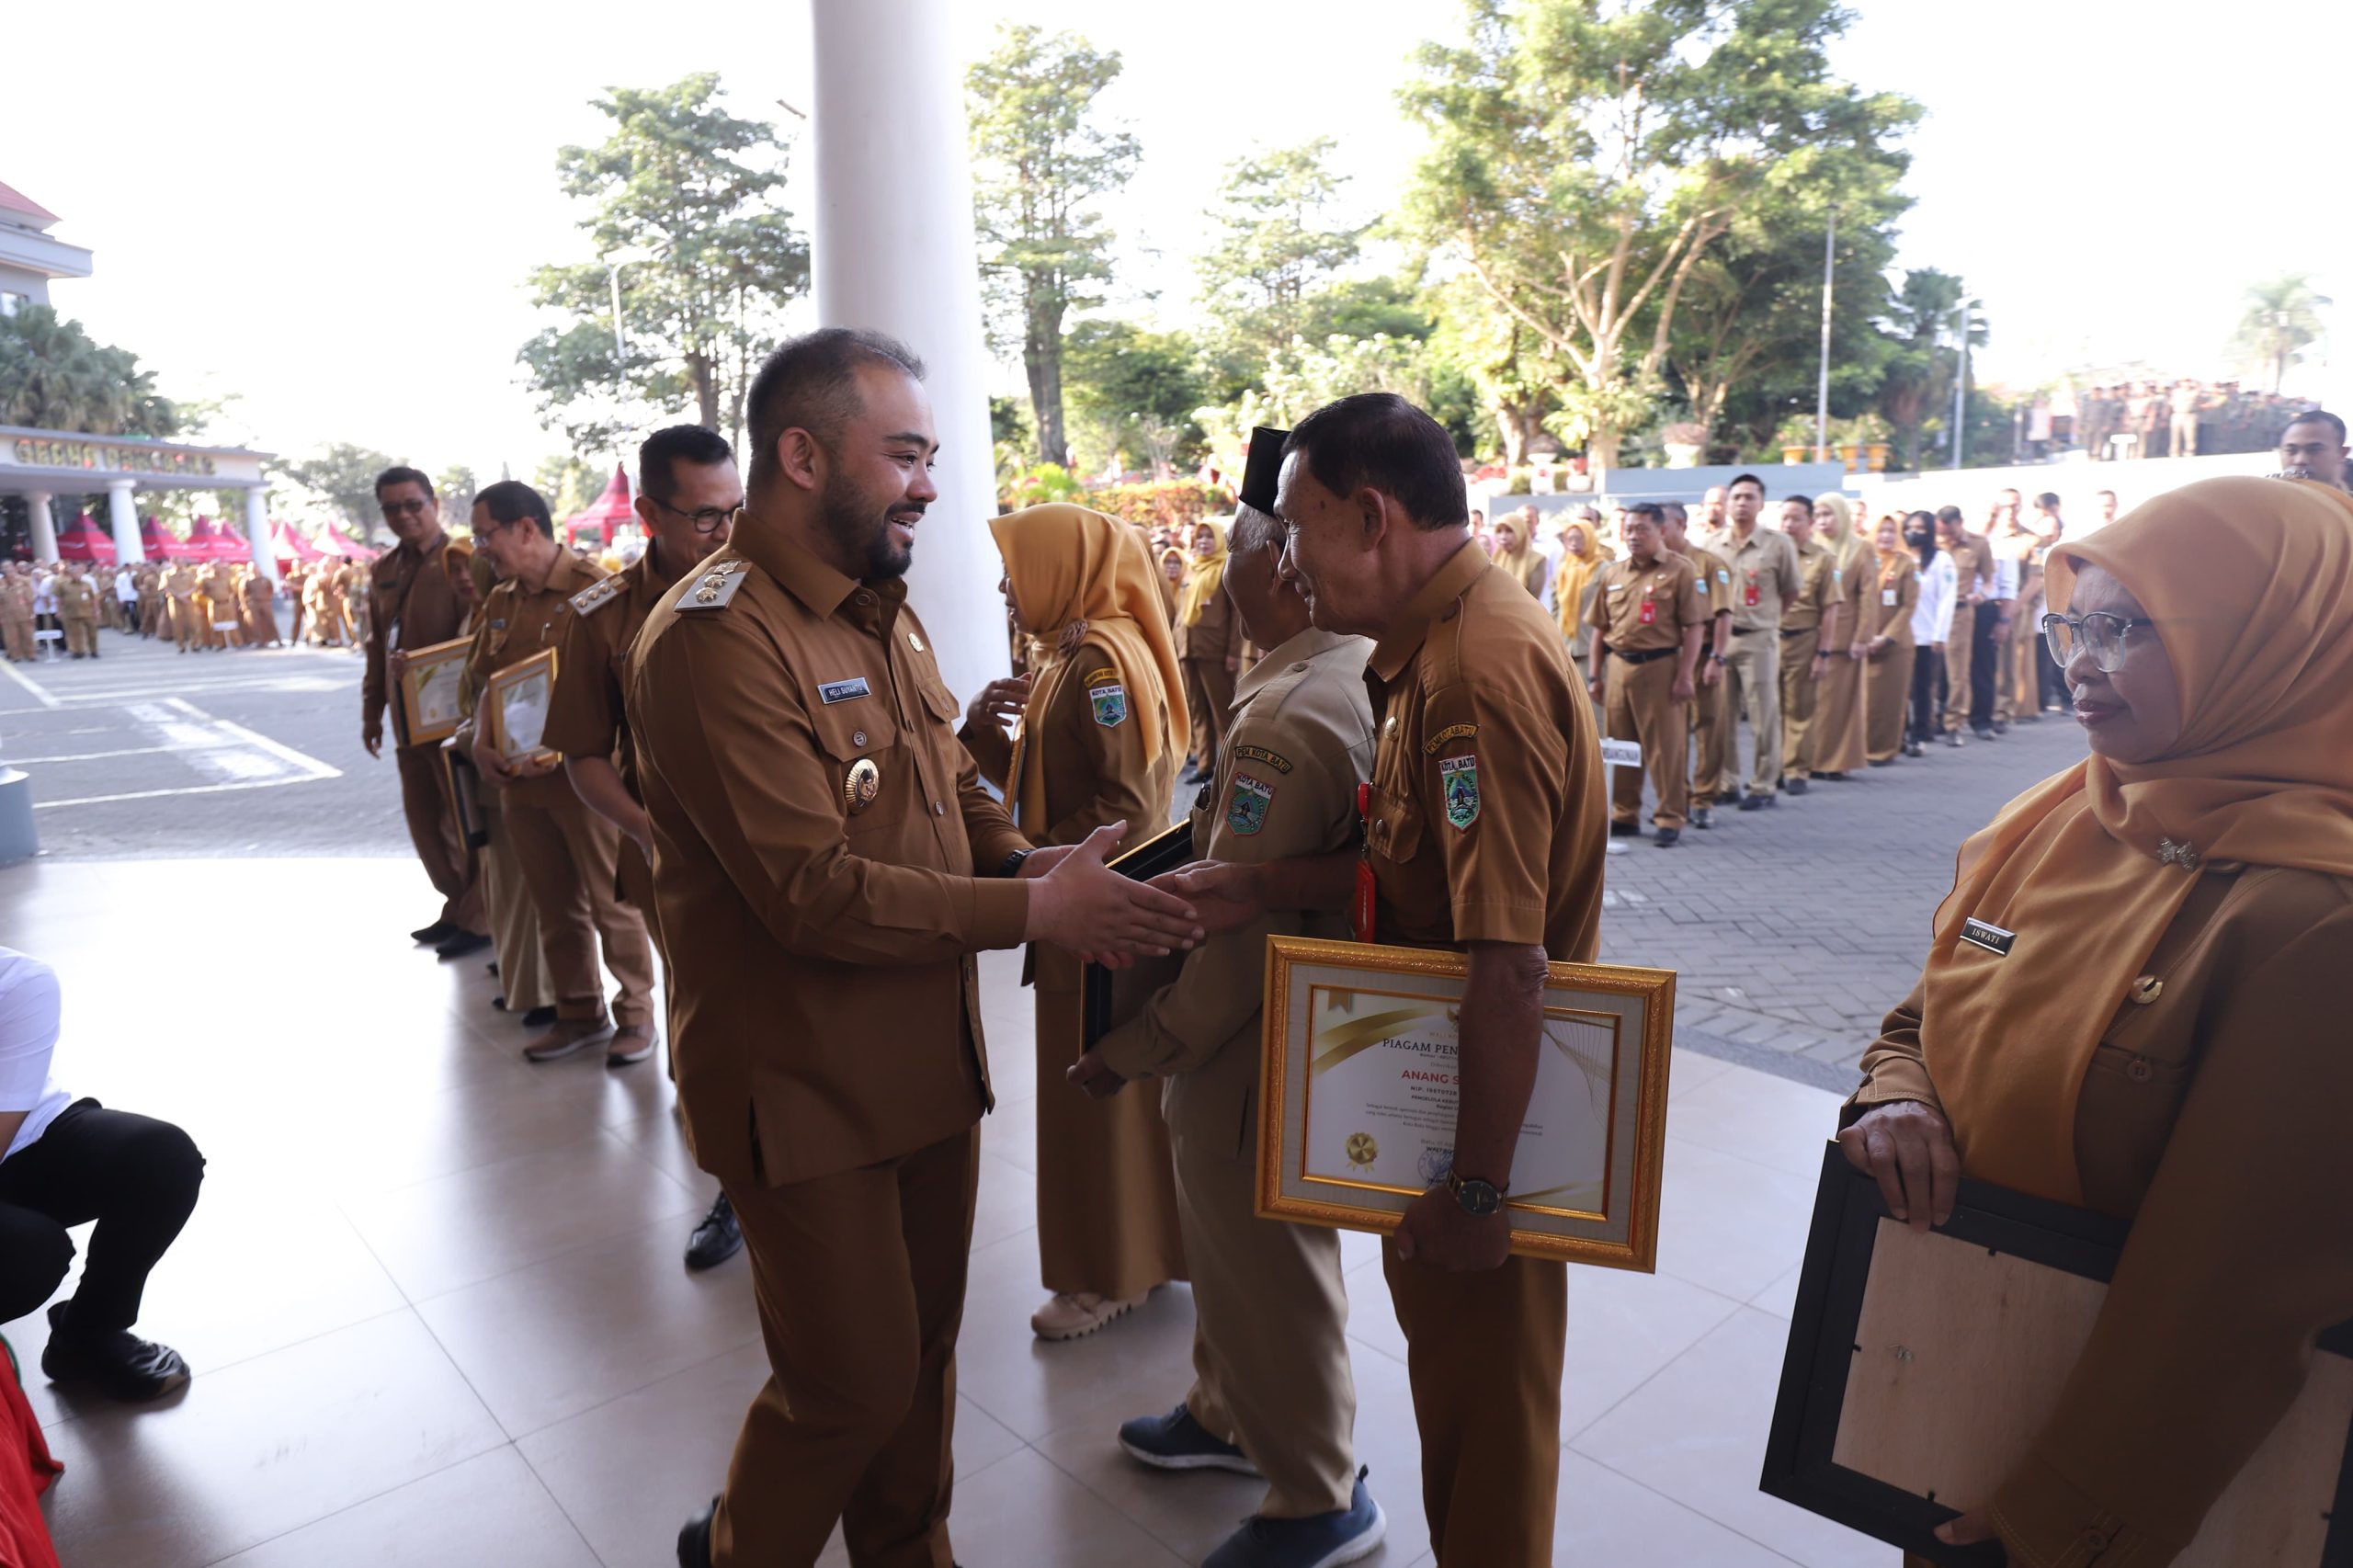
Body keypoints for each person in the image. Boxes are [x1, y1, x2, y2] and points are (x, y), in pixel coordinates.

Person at [626, 328, 1205, 1568]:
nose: (929, 485)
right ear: (801, 456)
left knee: (922, 1362)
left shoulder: (879, 611)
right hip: (803, 1086)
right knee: (849, 1385)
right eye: (903, 455)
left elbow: (947, 780)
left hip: (925, 1068)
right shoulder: (715, 637)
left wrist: (1020, 860)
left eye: (929, 456)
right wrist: (1038, 914)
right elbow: (812, 893)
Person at [1838, 476, 2353, 1567]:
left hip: (2103, 1477)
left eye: (2125, 630)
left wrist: (2069, 1517)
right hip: (1958, 1371)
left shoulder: (2312, 914)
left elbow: (2234, 1290)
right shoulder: (2067, 810)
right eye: (2074, 624)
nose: (2076, 660)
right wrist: (1897, 1094)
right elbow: (1925, 1013)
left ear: (2268, 647)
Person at [1156, 392, 1607, 1566]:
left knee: (1485, 1419)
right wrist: (1257, 884)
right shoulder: (1431, 647)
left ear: (1370, 516)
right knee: (1459, 1403)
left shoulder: (1469, 677)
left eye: (1297, 528)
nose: (1287, 563)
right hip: (1448, 1095)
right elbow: (1417, 866)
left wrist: (1476, 1190)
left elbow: (1506, 962)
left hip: (1487, 1119)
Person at [1068, 429, 1387, 1567]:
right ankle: (1225, 1411)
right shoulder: (1336, 668)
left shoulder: (1288, 716)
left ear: (1278, 568)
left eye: (1241, 548)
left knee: (1268, 1269)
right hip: (1285, 1027)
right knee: (1233, 1254)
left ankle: (1317, 1492)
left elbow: (1238, 938)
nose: (1222, 568)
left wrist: (1135, 1045)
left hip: (1253, 1045)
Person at [961, 503, 1191, 1342]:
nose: (1004, 588)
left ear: (1064, 566)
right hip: (1085, 900)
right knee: (1111, 1099)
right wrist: (980, 738)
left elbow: (1126, 810)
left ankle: (1108, 1276)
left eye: (1016, 569)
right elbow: (1049, 783)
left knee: (1096, 1105)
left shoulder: (1099, 663)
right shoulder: (1069, 651)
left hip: (1093, 909)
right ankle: (1140, 1255)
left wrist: (1034, 870)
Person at [544, 424, 745, 1269]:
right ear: (650, 514)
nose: (726, 533)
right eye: (705, 518)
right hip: (676, 862)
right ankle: (736, 1187)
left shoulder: (767, 585)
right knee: (712, 1020)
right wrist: (649, 831)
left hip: (792, 847)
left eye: (736, 511)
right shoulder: (601, 617)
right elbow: (583, 758)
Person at [460, 481, 658, 1067]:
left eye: (485, 535)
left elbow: (624, 687)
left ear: (526, 528)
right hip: (521, 785)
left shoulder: (594, 589)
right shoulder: (502, 600)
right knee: (554, 906)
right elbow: (485, 686)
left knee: (611, 904)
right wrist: (481, 743)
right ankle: (579, 1012)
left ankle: (636, 1016)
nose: (480, 549)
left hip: (587, 782)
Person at [0, 948, 203, 1403]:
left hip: (22, 1139)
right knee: (29, 1251)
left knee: (161, 1159)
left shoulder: (17, 980)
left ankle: (88, 1334)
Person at [1589, 502, 1704, 846]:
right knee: (1620, 744)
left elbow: (1695, 627)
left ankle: (1670, 816)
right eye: (1629, 529)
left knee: (1665, 748)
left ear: (1662, 531)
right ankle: (1624, 813)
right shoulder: (1613, 573)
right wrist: (1595, 675)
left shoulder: (1681, 570)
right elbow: (1599, 629)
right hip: (1619, 666)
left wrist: (1686, 675)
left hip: (1661, 667)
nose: (1634, 536)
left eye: (1642, 529)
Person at [1702, 472, 1803, 810]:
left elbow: (1791, 591)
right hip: (1721, 641)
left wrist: (1768, 620)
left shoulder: (1778, 544)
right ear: (1727, 503)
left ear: (1761, 503)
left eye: (1750, 497)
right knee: (1723, 716)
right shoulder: (1712, 544)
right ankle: (1728, 781)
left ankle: (1763, 785)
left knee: (1764, 715)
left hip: (1759, 639)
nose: (1742, 503)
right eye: (1737, 497)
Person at [1660, 502, 1733, 828]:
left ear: (1680, 524)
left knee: (1709, 727)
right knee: (1672, 734)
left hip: (1704, 656)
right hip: (1667, 659)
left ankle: (1704, 797)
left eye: (1663, 525)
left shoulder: (1709, 563)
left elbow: (1723, 615)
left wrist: (1717, 657)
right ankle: (1679, 795)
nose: (1659, 532)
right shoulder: (1656, 566)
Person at [1773, 494, 1841, 792]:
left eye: (1796, 519)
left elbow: (1830, 609)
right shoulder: (1770, 554)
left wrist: (1823, 653)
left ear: (1810, 522)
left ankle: (1797, 770)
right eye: (1785, 518)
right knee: (1770, 709)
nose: (1789, 524)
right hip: (1768, 640)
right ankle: (1772, 768)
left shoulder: (1823, 559)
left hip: (1803, 640)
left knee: (1799, 708)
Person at [1809, 494, 1873, 781]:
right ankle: (1807, 759)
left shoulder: (1860, 548)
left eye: (1829, 514)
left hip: (1843, 642)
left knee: (1836, 707)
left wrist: (1862, 638)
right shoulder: (1809, 547)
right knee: (1812, 705)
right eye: (1818, 515)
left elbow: (1868, 597)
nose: (1823, 521)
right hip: (1809, 638)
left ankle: (1834, 762)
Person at [1176, 519, 1241, 785]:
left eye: (1208, 537)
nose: (1203, 542)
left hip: (1215, 650)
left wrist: (1233, 652)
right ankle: (1205, 765)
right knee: (1197, 710)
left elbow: (1236, 615)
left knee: (1222, 712)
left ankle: (1231, 767)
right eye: (1199, 537)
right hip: (1188, 648)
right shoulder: (1192, 570)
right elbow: (1181, 611)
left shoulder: (1226, 568)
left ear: (1219, 540)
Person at [1859, 514, 1918, 766]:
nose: (1886, 536)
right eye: (1881, 531)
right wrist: (1862, 636)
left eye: (1891, 531)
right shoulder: (1863, 560)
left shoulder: (1906, 564)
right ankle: (1858, 750)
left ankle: (1882, 751)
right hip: (1862, 643)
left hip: (1894, 645)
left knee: (1888, 702)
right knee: (1864, 702)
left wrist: (1886, 637)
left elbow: (1908, 605)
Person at [1904, 512, 1956, 758]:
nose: (1914, 533)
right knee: (1900, 689)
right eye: (1910, 527)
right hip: (1900, 634)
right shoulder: (1901, 557)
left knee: (1922, 689)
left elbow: (1947, 598)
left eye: (1920, 528)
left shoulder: (1941, 559)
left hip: (1925, 635)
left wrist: (1940, 634)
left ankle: (1919, 734)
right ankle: (1899, 734)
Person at [1935, 506, 1989, 747]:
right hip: (1930, 612)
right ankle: (1929, 720)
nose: (1947, 537)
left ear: (1960, 522)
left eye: (1950, 531)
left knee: (1958, 672)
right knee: (1930, 671)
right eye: (1942, 532)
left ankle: (1954, 724)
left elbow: (1989, 581)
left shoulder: (1978, 544)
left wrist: (1981, 595)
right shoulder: (1932, 543)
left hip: (1959, 612)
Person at [1969, 497, 2020, 739]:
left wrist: (2004, 621)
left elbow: (2009, 588)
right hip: (1959, 609)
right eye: (1985, 513)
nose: (1989, 519)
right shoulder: (1961, 543)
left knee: (1984, 668)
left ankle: (1982, 720)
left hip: (1987, 610)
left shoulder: (2003, 548)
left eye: (1993, 515)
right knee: (1951, 669)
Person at [1550, 512, 1609, 672]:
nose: (1574, 543)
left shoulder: (1603, 568)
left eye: (1580, 538)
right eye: (1570, 539)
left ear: (1590, 538)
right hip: (1564, 643)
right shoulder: (1563, 569)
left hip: (1590, 643)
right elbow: (1556, 606)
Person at [2278, 409, 2348, 490]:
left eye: (2314, 450)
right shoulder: (2268, 495)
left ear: (2341, 454)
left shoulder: (2346, 499)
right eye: (2291, 450)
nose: (2300, 460)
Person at [1490, 506, 1548, 597]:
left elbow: (1533, 599)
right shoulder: (1495, 559)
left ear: (1520, 532)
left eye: (1509, 531)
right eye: (1499, 531)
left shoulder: (1536, 561)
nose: (1503, 537)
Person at [55, 563, 98, 660]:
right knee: (74, 634)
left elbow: (94, 598)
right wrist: (59, 611)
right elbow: (59, 599)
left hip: (87, 612)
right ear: (70, 575)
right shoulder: (63, 585)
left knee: (92, 632)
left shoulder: (87, 584)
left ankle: (93, 651)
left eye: (79, 573)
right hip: (71, 613)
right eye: (74, 574)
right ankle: (77, 651)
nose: (77, 575)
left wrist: (96, 610)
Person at [0, 567, 30, 663]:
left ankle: (30, 654)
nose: (11, 579)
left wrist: (31, 613)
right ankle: (15, 655)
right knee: (12, 637)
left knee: (27, 635)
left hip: (23, 614)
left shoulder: (22, 587)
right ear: (5, 579)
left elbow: (29, 601)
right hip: (8, 616)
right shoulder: (2, 590)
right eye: (9, 577)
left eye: (13, 576)